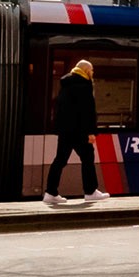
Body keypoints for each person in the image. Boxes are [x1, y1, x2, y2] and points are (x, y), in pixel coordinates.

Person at [46, 59, 108, 205]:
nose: (92, 73)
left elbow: (61, 110)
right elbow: (87, 112)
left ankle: (50, 192)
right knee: (88, 158)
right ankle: (90, 191)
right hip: (79, 132)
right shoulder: (84, 85)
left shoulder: (66, 85)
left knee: (60, 160)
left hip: (65, 131)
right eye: (91, 70)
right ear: (86, 70)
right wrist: (90, 132)